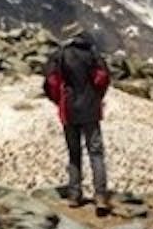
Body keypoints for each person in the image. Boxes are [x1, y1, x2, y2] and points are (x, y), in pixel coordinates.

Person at [43, 29, 112, 214]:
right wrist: (97, 96)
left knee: (74, 153)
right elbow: (102, 78)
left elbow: (51, 81)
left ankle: (74, 195)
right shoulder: (93, 54)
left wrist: (59, 99)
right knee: (96, 153)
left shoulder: (61, 54)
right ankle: (101, 196)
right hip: (90, 110)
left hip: (69, 109)